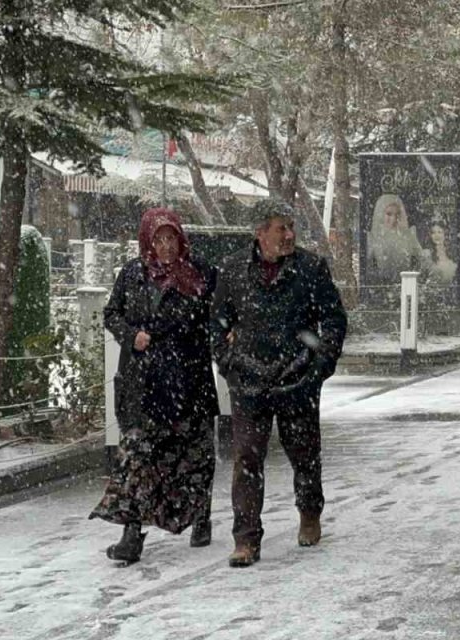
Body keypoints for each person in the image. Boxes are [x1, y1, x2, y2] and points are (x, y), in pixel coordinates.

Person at [212, 199, 348, 568]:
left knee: (304, 455)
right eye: (280, 228)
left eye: (291, 227)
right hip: (250, 381)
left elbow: (334, 320)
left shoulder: (309, 268)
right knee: (247, 460)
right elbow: (218, 323)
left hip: (297, 379)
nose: (288, 235)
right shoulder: (234, 269)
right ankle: (245, 538)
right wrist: (230, 364)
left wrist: (319, 366)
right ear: (260, 233)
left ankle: (309, 512)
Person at [90, 208, 219, 564]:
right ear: (148, 240)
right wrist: (133, 336)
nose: (165, 247)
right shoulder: (132, 274)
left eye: (171, 238)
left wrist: (203, 342)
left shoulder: (200, 273)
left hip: (188, 379)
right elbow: (111, 313)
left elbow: (220, 316)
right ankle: (131, 534)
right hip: (143, 382)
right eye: (158, 239)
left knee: (193, 455)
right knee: (136, 457)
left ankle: (200, 515)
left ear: (181, 239)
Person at [368, 194, 422, 280]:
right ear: (380, 214)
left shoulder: (409, 237)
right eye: (389, 214)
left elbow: (419, 264)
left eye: (397, 215)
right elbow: (368, 270)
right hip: (380, 287)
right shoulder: (372, 238)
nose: (393, 219)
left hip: (407, 285)